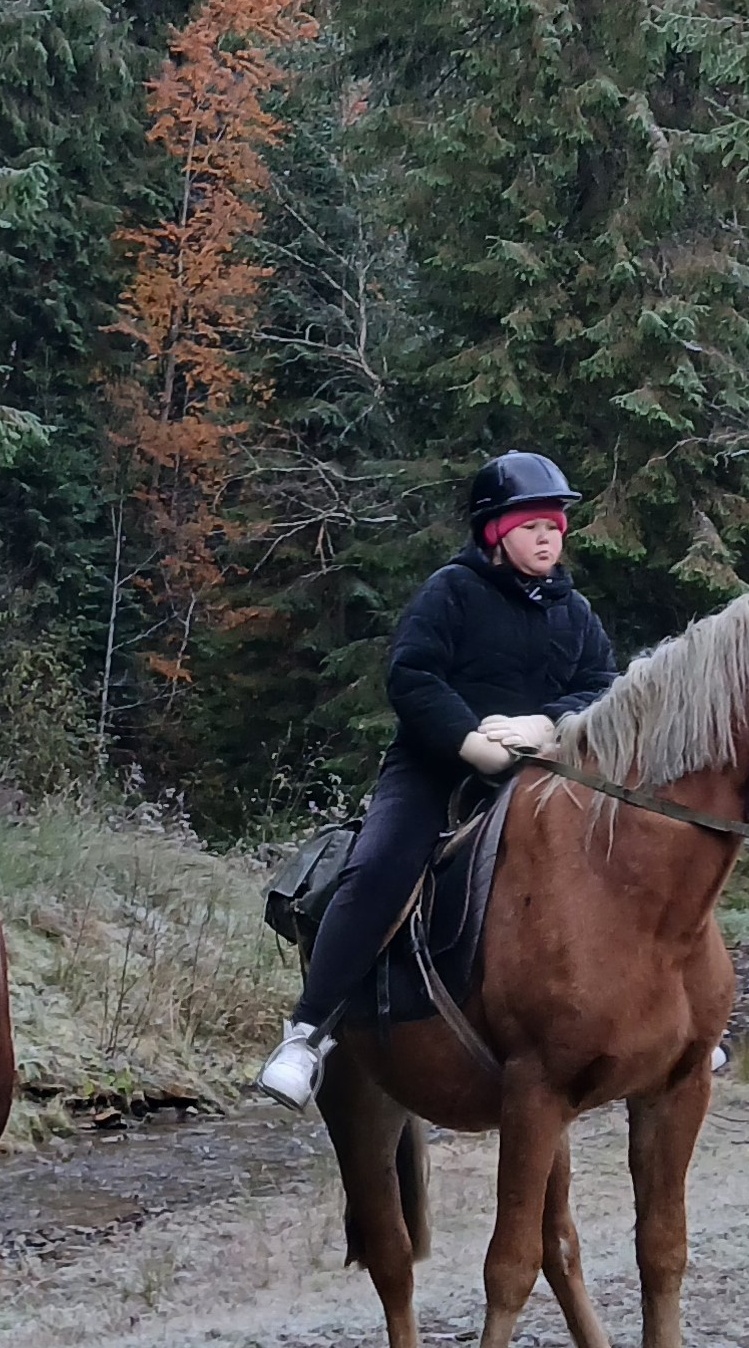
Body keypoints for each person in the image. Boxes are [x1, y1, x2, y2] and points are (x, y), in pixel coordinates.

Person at [255, 453, 617, 1107]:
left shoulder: (575, 611)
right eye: (533, 524)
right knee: (380, 864)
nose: (548, 537)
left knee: (623, 853)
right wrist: (469, 741)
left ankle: (661, 1020)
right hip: (434, 765)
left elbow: (601, 684)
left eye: (556, 525)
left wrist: (549, 721)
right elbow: (413, 676)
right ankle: (306, 1033)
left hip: (542, 772)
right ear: (494, 531)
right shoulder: (451, 590)